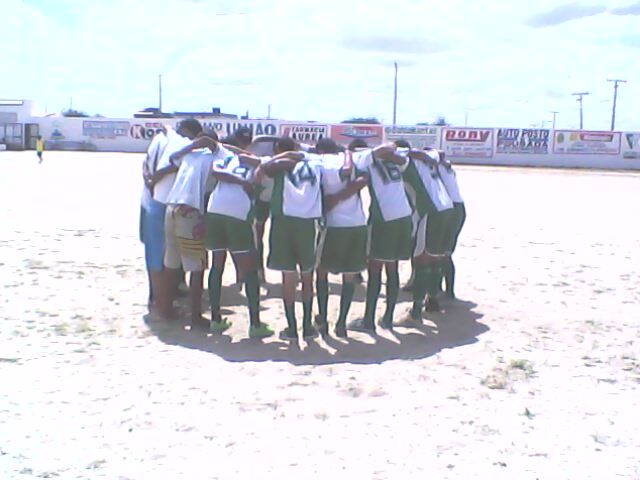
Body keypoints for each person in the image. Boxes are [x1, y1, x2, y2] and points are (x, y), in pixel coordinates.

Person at [204, 145, 275, 338]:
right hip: (238, 214)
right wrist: (244, 182)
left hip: (215, 210)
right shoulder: (259, 163)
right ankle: (255, 324)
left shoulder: (226, 160)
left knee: (216, 265)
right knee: (249, 269)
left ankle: (216, 319)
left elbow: (216, 172)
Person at [257, 137, 324, 341]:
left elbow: (259, 174)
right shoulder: (317, 163)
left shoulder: (278, 165)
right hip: (308, 222)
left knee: (288, 277)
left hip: (283, 221)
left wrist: (283, 156)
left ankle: (292, 328)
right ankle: (307, 327)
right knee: (307, 277)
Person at [348, 143, 414, 333]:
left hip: (384, 218)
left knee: (375, 269)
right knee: (392, 268)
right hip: (404, 215)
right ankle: (387, 317)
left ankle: (368, 319)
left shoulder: (367, 161)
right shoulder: (393, 162)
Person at [160, 119, 216, 326]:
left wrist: (192, 145)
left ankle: (165, 309)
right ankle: (195, 316)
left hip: (171, 207)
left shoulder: (188, 155)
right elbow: (209, 192)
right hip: (190, 212)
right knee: (197, 266)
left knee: (171, 262)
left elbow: (173, 158)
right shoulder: (213, 159)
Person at [315, 149, 369, 337]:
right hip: (357, 223)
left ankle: (322, 318)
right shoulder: (356, 161)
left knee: (321, 272)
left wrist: (335, 198)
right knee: (349, 277)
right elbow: (363, 179)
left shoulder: (322, 162)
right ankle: (341, 323)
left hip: (333, 226)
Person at [401, 144, 454, 323]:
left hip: (431, 210)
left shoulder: (407, 162)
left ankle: (416, 311)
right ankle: (433, 300)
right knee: (436, 257)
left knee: (421, 259)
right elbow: (438, 153)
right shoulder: (428, 157)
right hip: (447, 207)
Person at [140, 128, 170, 310]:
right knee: (161, 254)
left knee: (153, 252)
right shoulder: (173, 146)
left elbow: (145, 166)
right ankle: (161, 301)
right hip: (159, 202)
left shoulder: (158, 141)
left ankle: (155, 295)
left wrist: (149, 180)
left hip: (147, 201)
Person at [437, 152, 466, 299]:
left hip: (451, 208)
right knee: (444, 251)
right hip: (457, 207)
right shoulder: (446, 166)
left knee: (443, 253)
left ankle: (447, 291)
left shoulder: (437, 167)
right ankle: (442, 288)